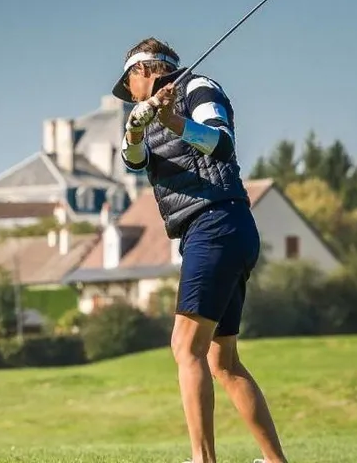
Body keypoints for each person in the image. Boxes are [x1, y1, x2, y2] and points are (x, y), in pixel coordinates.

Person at [112, 37, 289, 463]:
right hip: (216, 231)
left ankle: (202, 460)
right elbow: (134, 162)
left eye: (128, 84)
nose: (129, 94)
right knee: (222, 361)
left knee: (185, 347)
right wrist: (135, 127)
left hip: (216, 224)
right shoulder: (147, 114)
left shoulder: (197, 88)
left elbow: (221, 143)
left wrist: (173, 120)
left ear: (142, 71)